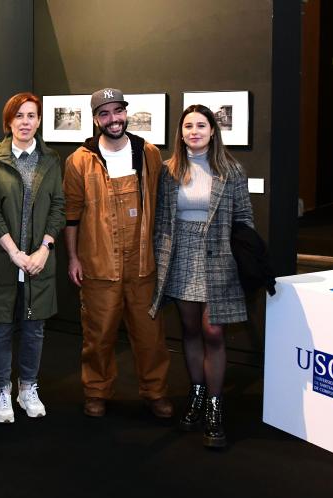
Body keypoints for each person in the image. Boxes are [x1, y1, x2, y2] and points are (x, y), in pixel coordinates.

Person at [63, 88, 172, 419]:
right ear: (96, 119)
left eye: (118, 111)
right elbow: (71, 214)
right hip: (99, 262)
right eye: (105, 114)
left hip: (141, 262)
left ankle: (155, 392)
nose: (113, 119)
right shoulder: (80, 160)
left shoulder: (148, 153)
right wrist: (73, 257)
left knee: (150, 336)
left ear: (127, 113)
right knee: (98, 335)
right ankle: (96, 391)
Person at [150, 105, 254, 448]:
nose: (194, 131)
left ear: (213, 131)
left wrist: (243, 261)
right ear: (181, 133)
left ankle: (214, 406)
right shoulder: (168, 171)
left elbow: (245, 221)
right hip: (181, 257)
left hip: (220, 259)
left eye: (201, 125)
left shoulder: (231, 170)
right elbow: (162, 222)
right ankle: (195, 396)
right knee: (191, 330)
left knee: (214, 332)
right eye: (188, 126)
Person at [0, 93, 64, 423]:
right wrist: (14, 252)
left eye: (31, 115)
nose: (25, 122)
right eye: (19, 116)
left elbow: (59, 207)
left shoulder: (51, 159)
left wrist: (44, 249)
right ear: (8, 121)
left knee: (34, 329)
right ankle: (2, 390)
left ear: (39, 121)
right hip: (3, 258)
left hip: (40, 260)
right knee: (0, 328)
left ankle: (27, 387)